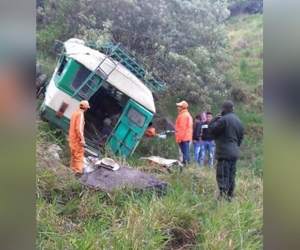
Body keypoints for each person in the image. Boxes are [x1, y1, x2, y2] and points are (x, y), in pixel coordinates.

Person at [208, 100, 244, 202]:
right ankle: (231, 196)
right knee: (232, 174)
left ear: (223, 109)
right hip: (234, 151)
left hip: (224, 152)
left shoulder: (223, 120)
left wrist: (215, 118)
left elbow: (211, 129)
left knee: (223, 174)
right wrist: (235, 147)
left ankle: (223, 197)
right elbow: (240, 137)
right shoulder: (238, 121)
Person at [69, 100, 90, 177]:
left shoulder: (75, 113)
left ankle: (72, 171)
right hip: (77, 139)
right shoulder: (80, 115)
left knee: (73, 155)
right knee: (79, 155)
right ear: (86, 108)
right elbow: (79, 128)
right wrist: (82, 140)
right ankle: (78, 173)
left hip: (72, 138)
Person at [175, 101, 193, 171]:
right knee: (186, 153)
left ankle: (185, 168)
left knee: (185, 154)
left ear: (182, 108)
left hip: (183, 138)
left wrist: (179, 138)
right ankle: (186, 167)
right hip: (186, 137)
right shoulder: (187, 114)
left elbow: (182, 128)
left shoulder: (183, 116)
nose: (177, 108)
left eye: (179, 106)